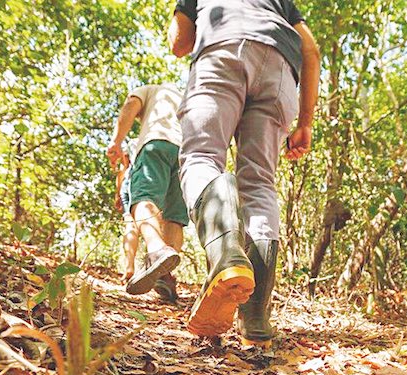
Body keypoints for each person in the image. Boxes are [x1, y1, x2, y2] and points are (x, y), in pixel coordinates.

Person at [168, 0, 320, 346]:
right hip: (281, 69)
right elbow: (310, 49)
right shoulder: (281, 4)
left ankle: (226, 255)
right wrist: (306, 123)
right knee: (260, 183)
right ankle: (255, 318)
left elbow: (179, 42)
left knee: (202, 155)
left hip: (223, 49)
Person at [107, 83, 189, 301]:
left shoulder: (149, 89)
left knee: (144, 199)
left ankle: (156, 250)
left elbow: (131, 104)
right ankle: (165, 275)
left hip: (156, 143)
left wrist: (116, 142)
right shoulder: (185, 96)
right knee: (174, 216)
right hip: (186, 153)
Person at [113, 152, 140, 283]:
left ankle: (129, 267)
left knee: (130, 224)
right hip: (144, 180)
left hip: (127, 183)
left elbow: (123, 168)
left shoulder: (130, 145)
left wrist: (118, 193)